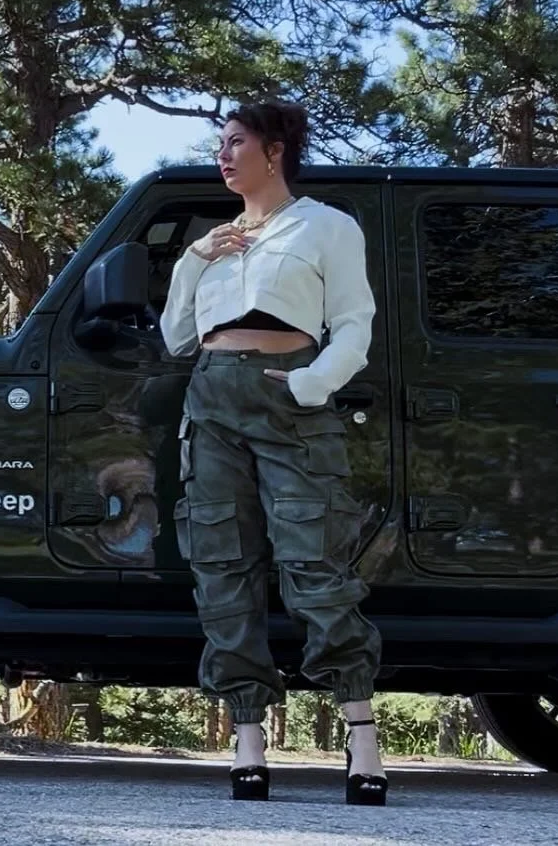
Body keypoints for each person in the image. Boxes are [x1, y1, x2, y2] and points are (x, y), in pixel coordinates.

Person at [160, 98, 387, 805]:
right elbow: (175, 337)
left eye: (236, 142)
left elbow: (355, 323)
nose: (223, 156)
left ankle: (361, 735)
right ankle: (249, 736)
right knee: (221, 564)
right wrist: (192, 261)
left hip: (289, 395)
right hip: (211, 398)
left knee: (314, 563)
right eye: (220, 145)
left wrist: (313, 383)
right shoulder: (215, 241)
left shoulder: (325, 225)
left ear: (275, 150)